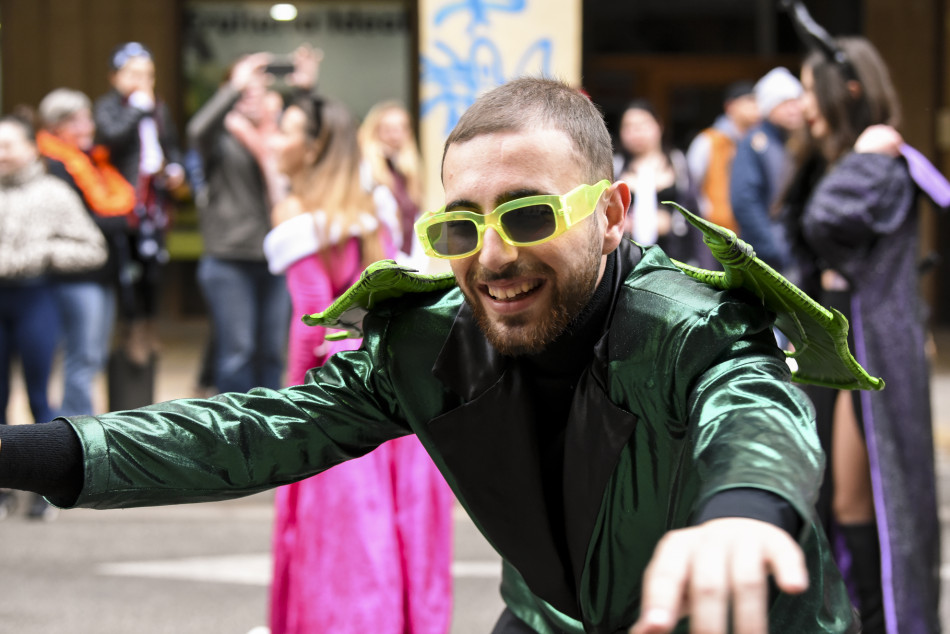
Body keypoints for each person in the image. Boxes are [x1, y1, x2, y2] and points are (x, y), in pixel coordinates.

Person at [0, 77, 861, 633]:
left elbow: (754, 406)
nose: (493, 256)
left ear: (611, 215)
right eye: (461, 226)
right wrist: (16, 454)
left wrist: (742, 512)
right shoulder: (428, 341)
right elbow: (249, 433)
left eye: (529, 214)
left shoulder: (688, 323)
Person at [262, 95, 453, 634]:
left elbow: (311, 320)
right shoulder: (373, 209)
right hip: (393, 383)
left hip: (337, 391)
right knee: (402, 529)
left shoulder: (296, 213)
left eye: (285, 130)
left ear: (313, 147)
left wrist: (293, 403)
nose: (275, 140)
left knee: (347, 545)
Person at [780, 37, 940, 634]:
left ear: (849, 91)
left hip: (871, 344)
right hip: (828, 337)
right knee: (827, 499)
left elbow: (827, 220)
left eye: (810, 89)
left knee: (858, 496)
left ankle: (880, 622)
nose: (803, 104)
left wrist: (864, 159)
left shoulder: (882, 165)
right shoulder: (833, 160)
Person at [185, 49, 318, 394]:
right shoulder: (221, 139)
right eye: (245, 91)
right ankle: (234, 423)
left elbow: (314, 136)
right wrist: (235, 85)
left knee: (272, 352)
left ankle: (267, 422)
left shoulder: (278, 139)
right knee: (237, 353)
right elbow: (197, 130)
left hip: (276, 256)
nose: (252, 96)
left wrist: (304, 91)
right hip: (229, 259)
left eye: (258, 90)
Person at [0, 114, 107, 518]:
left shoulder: (54, 193)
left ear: (31, 148)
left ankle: (47, 487)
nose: (1, 154)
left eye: (7, 145)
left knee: (38, 396)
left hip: (35, 298)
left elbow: (93, 248)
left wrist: (44, 253)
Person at [35, 89, 138, 417]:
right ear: (56, 126)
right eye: (77, 121)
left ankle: (81, 422)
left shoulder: (93, 160)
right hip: (75, 275)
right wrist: (120, 220)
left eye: (87, 119)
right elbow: (84, 221)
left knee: (94, 356)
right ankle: (78, 429)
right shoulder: (52, 165)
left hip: (103, 272)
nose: (87, 127)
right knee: (81, 357)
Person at [94, 42, 186, 386]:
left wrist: (175, 168)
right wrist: (136, 110)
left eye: (148, 75)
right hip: (122, 204)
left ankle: (148, 326)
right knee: (126, 271)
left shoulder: (158, 107)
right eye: (133, 74)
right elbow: (110, 138)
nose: (142, 81)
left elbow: (171, 146)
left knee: (153, 269)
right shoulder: (108, 107)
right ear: (115, 77)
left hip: (155, 202)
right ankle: (129, 331)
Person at [613, 99, 707, 268]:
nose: (636, 133)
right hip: (629, 262)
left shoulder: (678, 164)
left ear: (659, 126)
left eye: (642, 125)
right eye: (628, 127)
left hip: (675, 260)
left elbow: (696, 218)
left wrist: (672, 223)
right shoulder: (616, 167)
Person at [730, 67, 804, 272]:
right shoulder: (754, 143)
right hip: (771, 260)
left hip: (795, 255)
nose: (793, 108)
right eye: (784, 102)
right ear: (768, 107)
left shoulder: (799, 141)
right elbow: (745, 202)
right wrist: (775, 250)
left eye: (796, 101)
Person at [685, 80, 760, 233]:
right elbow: (691, 185)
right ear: (730, 106)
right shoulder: (708, 140)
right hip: (715, 232)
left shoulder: (758, 142)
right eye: (749, 100)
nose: (756, 107)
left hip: (749, 231)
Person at [358, 100, 424, 258]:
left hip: (406, 260)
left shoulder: (406, 171)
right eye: (387, 130)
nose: (395, 136)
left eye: (401, 128)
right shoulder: (365, 170)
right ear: (374, 132)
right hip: (377, 259)